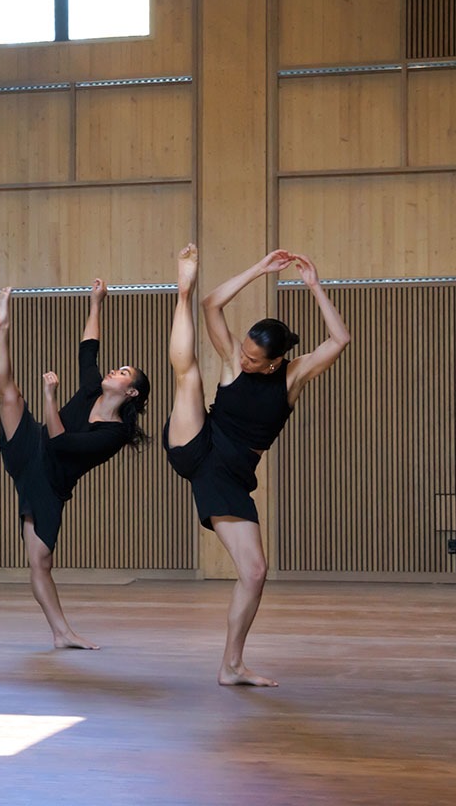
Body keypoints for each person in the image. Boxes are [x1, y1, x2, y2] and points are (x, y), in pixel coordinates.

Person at [166, 245, 351, 686]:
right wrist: (260, 269)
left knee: (254, 572)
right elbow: (213, 305)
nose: (244, 360)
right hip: (198, 443)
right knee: (188, 375)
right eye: (245, 352)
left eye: (254, 359)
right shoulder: (234, 359)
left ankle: (231, 665)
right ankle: (181, 290)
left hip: (231, 477)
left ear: (275, 362)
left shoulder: (294, 376)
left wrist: (314, 286)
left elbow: (340, 340)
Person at [0, 279, 152, 649]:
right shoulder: (93, 388)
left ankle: (62, 633)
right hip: (32, 448)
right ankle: (0, 330)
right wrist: (96, 302)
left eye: (123, 373)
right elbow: (88, 348)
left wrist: (50, 397)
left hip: (50, 481)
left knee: (40, 561)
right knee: (9, 395)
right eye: (117, 368)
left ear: (131, 392)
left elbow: (61, 443)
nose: (114, 371)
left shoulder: (114, 433)